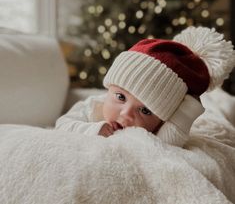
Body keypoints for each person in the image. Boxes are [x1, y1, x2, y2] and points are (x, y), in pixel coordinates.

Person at [55, 26, 235, 147]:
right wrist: (93, 130)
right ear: (109, 88)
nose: (126, 114)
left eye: (145, 111)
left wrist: (187, 108)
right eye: (120, 97)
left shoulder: (155, 133)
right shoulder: (93, 107)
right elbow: (61, 125)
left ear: (161, 121)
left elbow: (170, 143)